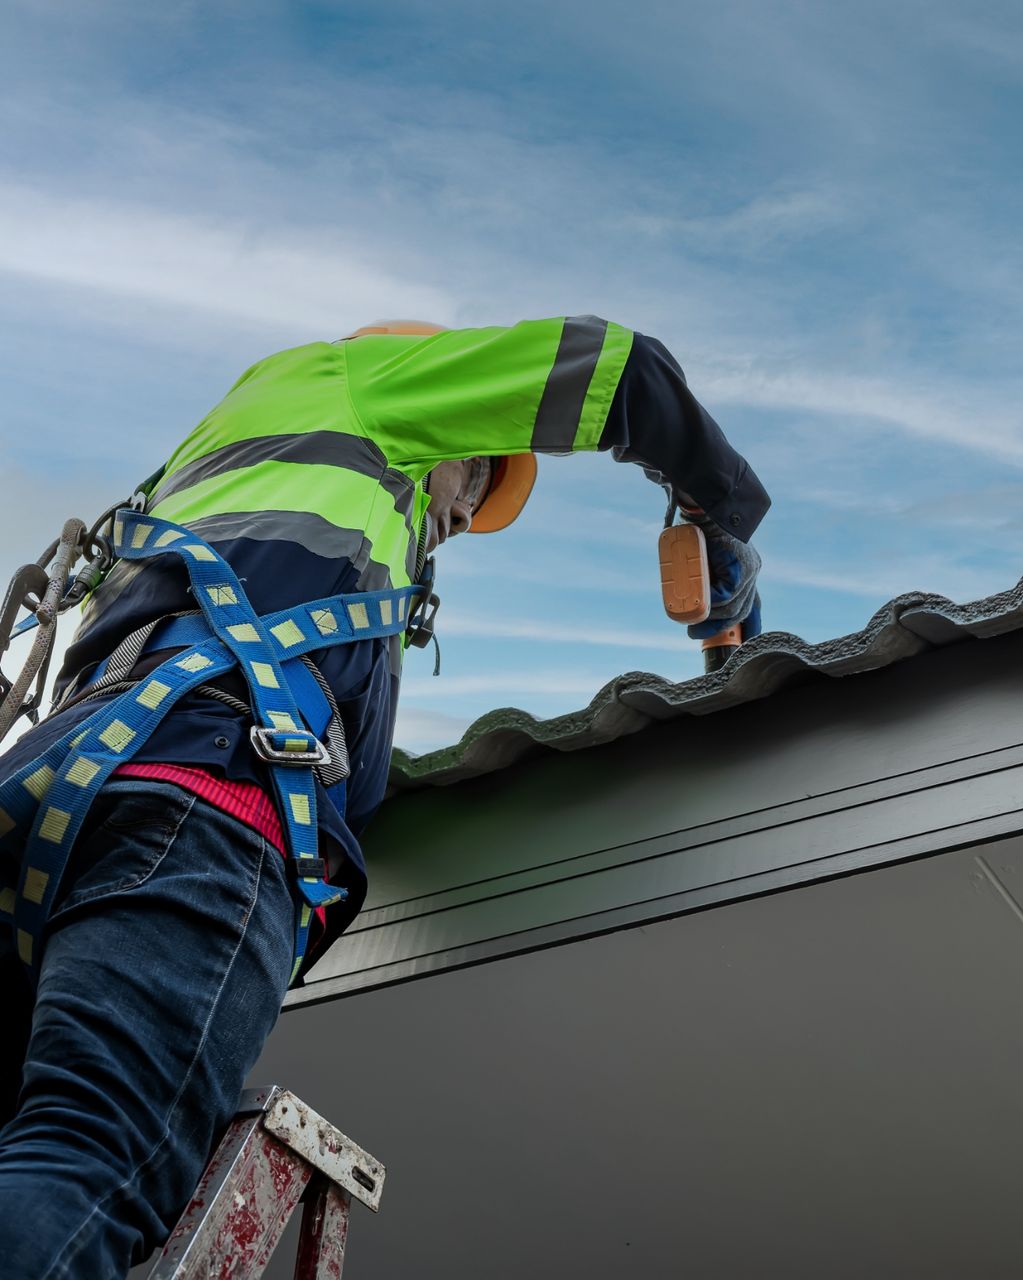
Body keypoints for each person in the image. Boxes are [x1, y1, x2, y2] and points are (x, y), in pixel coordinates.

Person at [0, 316, 769, 1276]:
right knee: (91, 1158)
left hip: (63, 787)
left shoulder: (225, 456)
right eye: (476, 479)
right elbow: (625, 369)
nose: (458, 516)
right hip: (207, 792)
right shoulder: (371, 383)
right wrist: (722, 510)